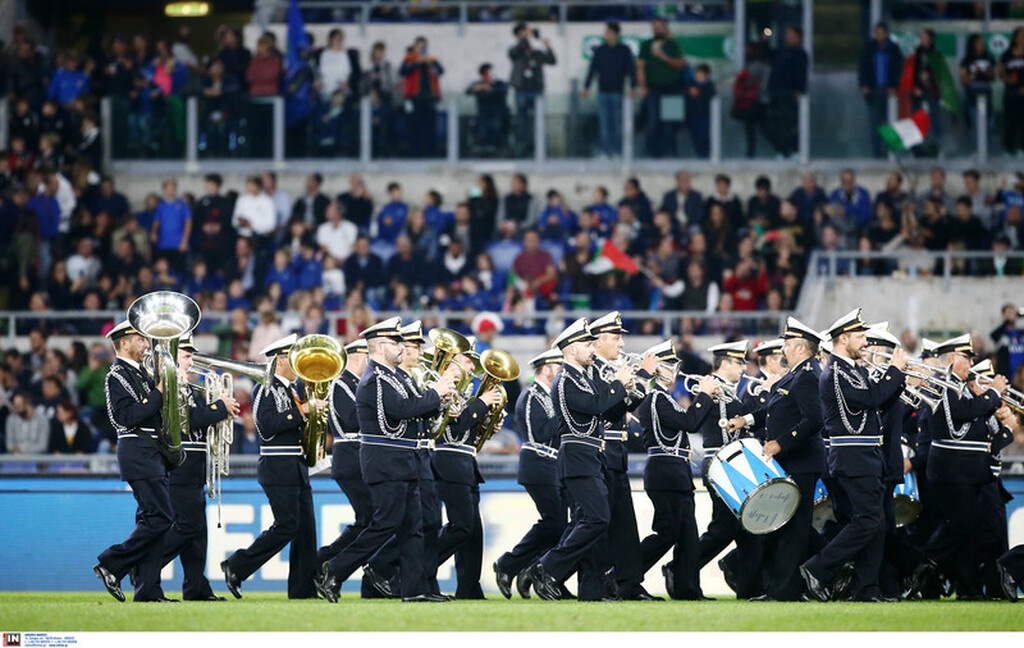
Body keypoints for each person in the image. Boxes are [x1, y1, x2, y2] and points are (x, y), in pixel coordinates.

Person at [315, 317, 456, 603]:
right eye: (395, 342)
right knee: (385, 524)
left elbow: (417, 412)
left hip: (404, 459)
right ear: (379, 346)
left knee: (411, 529)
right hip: (386, 461)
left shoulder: (397, 376)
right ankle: (335, 569)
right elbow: (401, 410)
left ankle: (414, 590)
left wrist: (440, 403)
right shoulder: (376, 379)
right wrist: (436, 392)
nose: (401, 346)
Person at [798, 309, 907, 603]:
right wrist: (894, 371)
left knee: (877, 522)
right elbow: (870, 398)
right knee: (868, 520)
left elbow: (878, 404)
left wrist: (898, 380)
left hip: (866, 455)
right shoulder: (835, 372)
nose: (866, 343)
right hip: (853, 456)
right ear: (842, 338)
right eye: (860, 337)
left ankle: (866, 589)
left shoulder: (854, 370)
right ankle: (817, 569)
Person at [526, 318, 637, 602]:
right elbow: (595, 405)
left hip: (589, 457)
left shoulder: (582, 377)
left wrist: (627, 391)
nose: (592, 349)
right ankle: (546, 567)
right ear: (571, 348)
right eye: (587, 344)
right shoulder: (566, 379)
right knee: (597, 519)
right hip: (577, 457)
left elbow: (607, 412)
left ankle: (590, 590)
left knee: (592, 522)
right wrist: (618, 384)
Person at [726, 316, 826, 601]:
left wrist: (781, 444)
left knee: (793, 530)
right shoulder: (796, 374)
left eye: (787, 344)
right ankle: (786, 587)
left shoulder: (807, 375)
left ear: (800, 348)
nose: (783, 350)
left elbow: (814, 419)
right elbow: (772, 410)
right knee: (788, 528)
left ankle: (785, 591)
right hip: (791, 462)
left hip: (801, 462)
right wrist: (744, 419)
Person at [221, 333, 319, 600]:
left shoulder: (292, 389)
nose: (298, 361)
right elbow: (266, 426)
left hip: (295, 464)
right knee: (287, 526)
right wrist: (302, 412)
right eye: (292, 356)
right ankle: (237, 565)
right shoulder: (266, 387)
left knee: (306, 531)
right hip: (278, 464)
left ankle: (303, 589)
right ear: (279, 359)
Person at [93, 320, 176, 603]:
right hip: (137, 451)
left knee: (152, 518)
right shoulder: (116, 376)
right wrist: (160, 392)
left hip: (152, 451)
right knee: (162, 517)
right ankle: (112, 562)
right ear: (124, 343)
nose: (147, 345)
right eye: (141, 340)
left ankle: (148, 590)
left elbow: (156, 411)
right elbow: (124, 418)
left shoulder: (142, 374)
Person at [920, 334, 1007, 599]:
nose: (970, 363)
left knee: (969, 532)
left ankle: (968, 589)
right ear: (952, 358)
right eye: (966, 358)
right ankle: (924, 562)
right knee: (962, 523)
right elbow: (961, 413)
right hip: (953, 470)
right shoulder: (944, 383)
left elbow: (973, 422)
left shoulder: (960, 386)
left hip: (968, 470)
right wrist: (992, 393)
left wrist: (989, 403)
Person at [159, 335, 240, 601]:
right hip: (179, 467)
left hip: (195, 466)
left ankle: (196, 586)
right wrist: (219, 407)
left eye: (191, 356)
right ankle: (146, 566)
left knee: (198, 533)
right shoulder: (169, 387)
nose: (192, 362)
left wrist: (217, 405)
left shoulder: (191, 390)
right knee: (186, 526)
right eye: (186, 356)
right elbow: (187, 423)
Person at [636, 339, 717, 600]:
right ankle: (620, 575)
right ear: (657, 368)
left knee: (688, 537)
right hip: (665, 471)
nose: (676, 371)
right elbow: (690, 422)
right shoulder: (655, 398)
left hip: (676, 472)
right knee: (666, 533)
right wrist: (703, 394)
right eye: (670, 365)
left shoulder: (665, 398)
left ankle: (688, 589)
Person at [588, 311, 658, 600]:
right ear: (598, 340)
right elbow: (607, 409)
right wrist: (636, 376)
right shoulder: (593, 371)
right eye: (615, 338)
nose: (620, 344)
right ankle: (600, 582)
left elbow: (627, 406)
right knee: (602, 524)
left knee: (626, 526)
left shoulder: (611, 369)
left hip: (617, 452)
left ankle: (629, 583)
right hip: (602, 452)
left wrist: (642, 380)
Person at [694, 340, 765, 599]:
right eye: (738, 362)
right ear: (724, 363)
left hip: (728, 465)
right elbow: (726, 430)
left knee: (746, 530)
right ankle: (682, 568)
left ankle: (751, 589)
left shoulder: (727, 390)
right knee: (725, 528)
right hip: (723, 464)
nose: (743, 367)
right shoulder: (716, 389)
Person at [433, 343, 503, 599]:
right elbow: (452, 430)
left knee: (473, 531)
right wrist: (482, 404)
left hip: (463, 463)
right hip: (448, 462)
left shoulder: (460, 392)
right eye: (467, 360)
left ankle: (469, 587)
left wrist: (486, 425)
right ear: (451, 361)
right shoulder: (444, 388)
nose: (473, 367)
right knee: (461, 526)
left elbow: (464, 431)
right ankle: (419, 569)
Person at [494, 349, 566, 599]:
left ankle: (525, 566)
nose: (562, 369)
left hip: (551, 465)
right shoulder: (531, 395)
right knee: (555, 522)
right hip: (538, 464)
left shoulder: (550, 396)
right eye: (558, 365)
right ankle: (514, 564)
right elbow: (541, 433)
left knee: (557, 524)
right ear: (545, 369)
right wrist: (566, 411)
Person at [316, 338, 381, 596]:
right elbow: (355, 420)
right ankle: (326, 562)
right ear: (355, 357)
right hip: (350, 457)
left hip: (356, 457)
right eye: (367, 356)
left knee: (368, 519)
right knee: (372, 518)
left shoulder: (356, 384)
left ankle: (326, 563)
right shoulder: (341, 384)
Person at [582, 21, 636, 159]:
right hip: (603, 92)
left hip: (618, 91)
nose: (606, 35)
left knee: (617, 124)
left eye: (609, 32)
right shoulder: (600, 51)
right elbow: (592, 70)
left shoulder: (624, 50)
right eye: (605, 33)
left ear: (616, 34)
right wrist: (586, 87)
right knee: (604, 124)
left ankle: (618, 151)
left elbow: (631, 70)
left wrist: (633, 86)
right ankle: (606, 151)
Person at [637, 17, 686, 159]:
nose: (657, 29)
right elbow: (640, 67)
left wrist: (663, 57)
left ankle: (670, 155)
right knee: (652, 124)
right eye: (654, 27)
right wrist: (643, 86)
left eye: (659, 26)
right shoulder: (646, 45)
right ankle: (652, 155)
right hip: (653, 90)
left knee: (670, 125)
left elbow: (680, 64)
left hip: (672, 90)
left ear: (665, 28)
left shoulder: (672, 45)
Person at [508, 22, 556, 157]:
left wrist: (548, 47)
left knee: (537, 121)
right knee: (521, 121)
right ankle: (520, 150)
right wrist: (525, 37)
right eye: (522, 32)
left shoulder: (536, 53)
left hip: (536, 90)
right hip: (521, 89)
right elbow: (515, 52)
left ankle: (537, 149)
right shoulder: (515, 51)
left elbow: (552, 61)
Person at [858, 23, 905, 158]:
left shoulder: (894, 49)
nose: (879, 35)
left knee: (888, 122)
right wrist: (864, 85)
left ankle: (889, 152)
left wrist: (894, 86)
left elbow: (898, 69)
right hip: (873, 91)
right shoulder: (869, 48)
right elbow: (863, 68)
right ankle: (877, 153)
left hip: (889, 92)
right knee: (874, 122)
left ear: (886, 33)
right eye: (876, 32)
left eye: (881, 32)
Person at [764, 26, 808, 159]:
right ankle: (781, 150)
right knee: (774, 124)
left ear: (798, 37)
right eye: (786, 34)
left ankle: (793, 150)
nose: (787, 37)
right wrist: (765, 40)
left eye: (790, 34)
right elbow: (767, 54)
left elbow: (801, 74)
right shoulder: (781, 52)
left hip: (789, 94)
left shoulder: (800, 54)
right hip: (775, 93)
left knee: (789, 125)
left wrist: (799, 91)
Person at [399, 36, 443, 158]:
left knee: (429, 127)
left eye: (424, 47)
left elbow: (440, 71)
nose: (422, 49)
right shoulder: (409, 59)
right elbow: (403, 71)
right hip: (414, 98)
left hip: (429, 98)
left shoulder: (432, 60)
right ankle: (414, 152)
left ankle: (430, 152)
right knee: (414, 126)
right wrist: (417, 62)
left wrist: (430, 64)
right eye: (419, 46)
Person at [465, 63, 510, 155]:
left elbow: (503, 90)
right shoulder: (478, 84)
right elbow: (468, 91)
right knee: (482, 127)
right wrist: (478, 88)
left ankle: (496, 146)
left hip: (499, 113)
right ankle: (483, 146)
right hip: (483, 113)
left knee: (497, 125)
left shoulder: (499, 84)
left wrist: (490, 89)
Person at [999, 27, 1024, 157]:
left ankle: (1022, 149)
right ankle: (1008, 149)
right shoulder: (1007, 54)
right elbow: (1001, 73)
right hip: (1011, 94)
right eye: (1020, 35)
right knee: (1010, 121)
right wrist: (1008, 79)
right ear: (1015, 38)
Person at [991, 303, 1024, 380]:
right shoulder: (1000, 334)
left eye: (1012, 312)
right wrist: (1006, 321)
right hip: (1007, 374)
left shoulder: (1021, 333)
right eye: (1008, 313)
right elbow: (993, 336)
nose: (1011, 315)